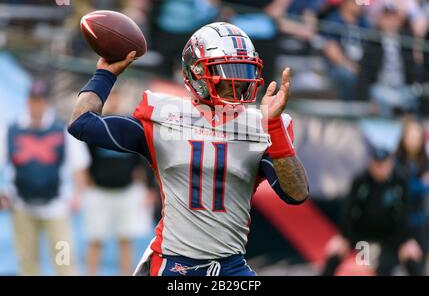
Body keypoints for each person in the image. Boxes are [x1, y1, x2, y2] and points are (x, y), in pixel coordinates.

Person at [68, 22, 309, 276]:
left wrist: (274, 126)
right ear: (196, 73)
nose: (237, 82)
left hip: (231, 266)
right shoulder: (164, 117)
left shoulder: (261, 125)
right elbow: (81, 123)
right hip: (174, 265)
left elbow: (296, 194)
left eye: (243, 70)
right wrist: (105, 75)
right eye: (226, 71)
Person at [0, 81, 90, 275]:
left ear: (46, 102)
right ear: (27, 102)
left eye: (40, 101)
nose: (36, 105)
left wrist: (78, 196)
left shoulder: (62, 130)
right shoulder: (12, 130)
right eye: (33, 101)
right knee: (27, 264)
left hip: (56, 208)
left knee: (64, 262)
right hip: (22, 207)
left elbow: (79, 166)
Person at [321, 146, 424, 276]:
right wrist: (343, 236)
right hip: (361, 233)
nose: (379, 168)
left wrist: (407, 239)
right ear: (371, 163)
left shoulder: (400, 183)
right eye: (376, 164)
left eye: (383, 164)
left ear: (390, 164)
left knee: (410, 253)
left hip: (391, 236)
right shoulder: (360, 181)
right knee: (335, 249)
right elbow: (347, 210)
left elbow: (406, 213)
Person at [83, 88, 153, 275]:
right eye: (109, 97)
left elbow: (140, 161)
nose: (113, 101)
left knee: (125, 240)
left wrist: (146, 189)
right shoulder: (95, 127)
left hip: (126, 192)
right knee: (95, 240)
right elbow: (84, 160)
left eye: (116, 97)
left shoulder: (128, 127)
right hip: (99, 191)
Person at [359, 0, 418, 115]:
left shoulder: (406, 39)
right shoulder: (373, 41)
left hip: (402, 88)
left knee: (413, 96)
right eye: (386, 18)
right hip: (381, 88)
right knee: (382, 98)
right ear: (380, 20)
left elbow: (412, 68)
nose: (390, 22)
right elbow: (365, 72)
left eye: (393, 18)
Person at [322, 0, 369, 100]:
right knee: (347, 75)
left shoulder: (363, 22)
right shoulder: (334, 20)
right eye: (355, 1)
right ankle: (348, 110)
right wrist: (349, 65)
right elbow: (331, 49)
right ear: (345, 2)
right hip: (337, 66)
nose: (359, 5)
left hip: (359, 65)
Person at [396, 117, 429, 274]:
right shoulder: (396, 162)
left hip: (420, 223)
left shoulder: (424, 161)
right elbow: (403, 188)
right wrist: (421, 185)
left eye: (418, 137)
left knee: (418, 266)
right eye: (411, 137)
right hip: (399, 222)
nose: (415, 141)